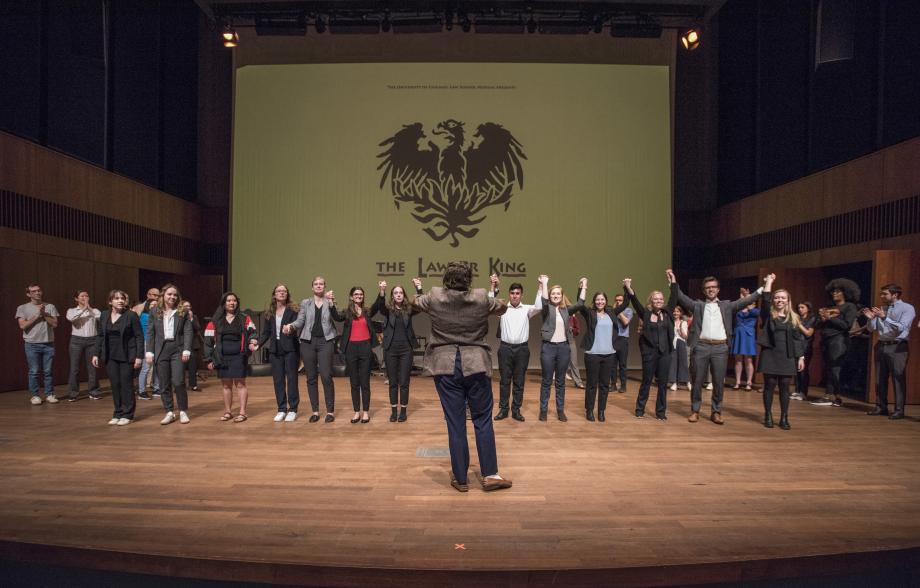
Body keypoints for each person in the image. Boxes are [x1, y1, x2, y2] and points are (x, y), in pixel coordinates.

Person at [411, 263, 511, 492]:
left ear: (446, 278)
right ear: (468, 280)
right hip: (475, 363)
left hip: (445, 366)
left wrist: (419, 294)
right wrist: (493, 293)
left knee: (455, 424)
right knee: (482, 420)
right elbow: (503, 307)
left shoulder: (435, 295)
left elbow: (413, 303)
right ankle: (491, 475)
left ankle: (461, 478)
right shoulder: (480, 297)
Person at [667, 269, 763, 425]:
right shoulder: (698, 305)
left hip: (720, 348)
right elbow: (681, 296)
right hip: (701, 346)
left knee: (718, 382)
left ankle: (716, 411)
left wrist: (762, 288)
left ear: (718, 289)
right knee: (697, 380)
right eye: (707, 287)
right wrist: (673, 281)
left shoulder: (726, 305)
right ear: (704, 290)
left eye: (713, 287)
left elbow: (745, 301)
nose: (710, 289)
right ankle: (695, 410)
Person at [570, 284, 630, 422]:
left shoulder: (612, 312)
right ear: (594, 301)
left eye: (602, 299)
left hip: (609, 354)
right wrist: (582, 287)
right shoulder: (590, 313)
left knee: (604, 385)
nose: (600, 302)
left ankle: (601, 411)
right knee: (592, 384)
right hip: (592, 354)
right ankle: (589, 410)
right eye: (597, 300)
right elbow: (580, 304)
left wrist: (626, 287)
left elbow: (626, 302)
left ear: (606, 301)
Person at [284, 276, 340, 423]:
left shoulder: (330, 301)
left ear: (325, 286)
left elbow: (337, 317)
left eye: (321, 284)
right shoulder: (306, 303)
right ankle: (315, 411)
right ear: (312, 287)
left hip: (326, 341)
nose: (319, 286)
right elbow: (300, 320)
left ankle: (330, 411)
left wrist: (332, 302)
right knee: (311, 377)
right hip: (307, 342)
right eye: (316, 284)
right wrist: (291, 326)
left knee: (326, 376)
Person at [489, 276, 541, 422]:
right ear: (509, 294)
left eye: (517, 293)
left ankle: (516, 410)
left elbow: (539, 306)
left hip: (522, 350)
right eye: (512, 293)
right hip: (505, 349)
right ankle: (503, 410)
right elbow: (490, 303)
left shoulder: (527, 309)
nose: (515, 295)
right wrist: (493, 286)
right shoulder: (503, 309)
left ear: (521, 295)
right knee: (505, 381)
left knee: (519, 381)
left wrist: (541, 287)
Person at [756, 275, 805, 430]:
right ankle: (768, 415)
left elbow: (798, 339)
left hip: (787, 355)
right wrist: (769, 283)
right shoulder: (768, 315)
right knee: (769, 385)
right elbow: (765, 301)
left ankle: (784, 417)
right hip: (770, 354)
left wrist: (800, 357)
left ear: (788, 300)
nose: (779, 300)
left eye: (783, 298)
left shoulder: (794, 318)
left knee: (785, 386)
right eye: (777, 298)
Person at [624, 278, 677, 420]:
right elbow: (635, 302)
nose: (658, 301)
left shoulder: (668, 313)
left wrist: (672, 282)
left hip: (665, 353)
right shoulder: (646, 314)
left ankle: (660, 412)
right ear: (651, 301)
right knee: (646, 381)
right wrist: (629, 287)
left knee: (662, 384)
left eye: (660, 299)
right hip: (650, 353)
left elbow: (674, 297)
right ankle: (640, 409)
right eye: (655, 299)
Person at [537, 275, 588, 422]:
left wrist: (583, 285)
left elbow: (580, 303)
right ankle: (543, 410)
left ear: (562, 295)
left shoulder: (566, 310)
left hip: (564, 348)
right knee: (547, 381)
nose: (555, 296)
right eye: (553, 293)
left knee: (560, 381)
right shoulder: (547, 309)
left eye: (558, 294)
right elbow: (544, 300)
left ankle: (560, 410)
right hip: (548, 348)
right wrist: (545, 283)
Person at [864, 283, 915, 420]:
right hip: (881, 345)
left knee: (898, 378)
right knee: (880, 378)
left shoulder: (907, 308)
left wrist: (885, 317)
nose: (881, 296)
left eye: (884, 294)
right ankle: (881, 407)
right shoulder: (882, 308)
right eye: (881, 294)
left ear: (895, 294)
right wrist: (871, 319)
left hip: (897, 347)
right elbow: (871, 329)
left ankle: (899, 410)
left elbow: (902, 327)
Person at [204, 292, 257, 423]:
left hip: (239, 355)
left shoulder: (245, 318)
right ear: (224, 303)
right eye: (228, 301)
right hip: (221, 356)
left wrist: (252, 341)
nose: (231, 303)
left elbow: (253, 333)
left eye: (234, 301)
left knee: (240, 384)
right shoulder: (215, 321)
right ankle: (228, 412)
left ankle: (243, 412)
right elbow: (208, 341)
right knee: (226, 385)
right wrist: (209, 359)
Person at [92, 290, 144, 425]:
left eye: (122, 298)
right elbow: (100, 336)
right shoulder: (104, 315)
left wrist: (139, 356)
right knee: (115, 385)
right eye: (116, 298)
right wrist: (96, 353)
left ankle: (128, 414)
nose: (120, 300)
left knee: (126, 384)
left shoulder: (131, 315)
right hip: (110, 355)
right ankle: (118, 412)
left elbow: (139, 336)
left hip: (127, 355)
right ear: (110, 301)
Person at [372, 280, 420, 422]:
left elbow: (421, 305)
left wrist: (419, 288)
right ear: (392, 296)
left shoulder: (409, 310)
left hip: (406, 350)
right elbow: (380, 307)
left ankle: (403, 411)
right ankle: (394, 411)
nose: (398, 295)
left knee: (404, 382)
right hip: (391, 350)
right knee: (393, 382)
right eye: (395, 293)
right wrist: (382, 291)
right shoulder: (388, 310)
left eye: (400, 293)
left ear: (403, 295)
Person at [145, 284, 193, 425]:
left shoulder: (182, 311)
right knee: (164, 384)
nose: (172, 297)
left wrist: (186, 349)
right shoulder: (154, 311)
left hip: (177, 348)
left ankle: (183, 411)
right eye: (169, 294)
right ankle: (169, 411)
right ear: (163, 295)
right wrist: (149, 351)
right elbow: (150, 332)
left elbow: (188, 331)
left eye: (175, 295)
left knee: (178, 381)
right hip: (161, 349)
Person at [255, 284, 301, 422]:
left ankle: (293, 409)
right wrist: (258, 343)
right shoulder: (270, 312)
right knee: (278, 380)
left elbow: (298, 327)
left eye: (284, 291)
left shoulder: (294, 310)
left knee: (292, 379)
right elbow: (266, 333)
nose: (282, 293)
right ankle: (281, 409)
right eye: (279, 291)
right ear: (274, 295)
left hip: (291, 348)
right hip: (275, 349)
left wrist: (291, 329)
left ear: (287, 294)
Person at [811, 279, 860, 407]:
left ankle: (831, 396)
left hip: (839, 341)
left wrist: (830, 318)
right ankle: (834, 396)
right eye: (833, 291)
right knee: (829, 369)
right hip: (826, 341)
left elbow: (847, 325)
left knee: (835, 369)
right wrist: (821, 318)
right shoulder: (830, 307)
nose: (834, 294)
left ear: (845, 293)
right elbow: (818, 325)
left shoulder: (850, 307)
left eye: (838, 291)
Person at [337, 286, 381, 424]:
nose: (359, 296)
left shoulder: (367, 311)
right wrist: (331, 303)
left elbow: (377, 305)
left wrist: (381, 292)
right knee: (354, 382)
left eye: (361, 294)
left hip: (365, 347)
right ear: (351, 297)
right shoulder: (347, 312)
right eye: (356, 294)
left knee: (365, 382)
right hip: (351, 348)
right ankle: (357, 412)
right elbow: (336, 317)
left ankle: (366, 412)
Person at [16, 284, 60, 405]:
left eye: (39, 290)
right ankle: (35, 396)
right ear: (28, 294)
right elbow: (22, 325)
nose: (37, 293)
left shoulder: (50, 306)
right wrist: (37, 316)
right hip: (31, 344)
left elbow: (55, 324)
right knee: (34, 371)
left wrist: (44, 314)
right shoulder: (22, 308)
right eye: (34, 291)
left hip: (48, 344)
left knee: (48, 371)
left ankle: (49, 394)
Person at [65, 290, 101, 401]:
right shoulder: (71, 310)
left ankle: (94, 391)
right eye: (82, 296)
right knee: (74, 368)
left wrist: (88, 308)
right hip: (76, 341)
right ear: (76, 299)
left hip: (92, 340)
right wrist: (84, 309)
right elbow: (71, 318)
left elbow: (99, 317)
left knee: (92, 367)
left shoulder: (94, 310)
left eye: (86, 295)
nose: (85, 297)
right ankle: (73, 393)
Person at [134, 287, 161, 400]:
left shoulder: (158, 315)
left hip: (156, 343)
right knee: (146, 367)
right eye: (151, 305)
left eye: (156, 304)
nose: (153, 306)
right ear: (147, 306)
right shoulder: (145, 316)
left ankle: (156, 388)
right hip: (146, 342)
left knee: (156, 367)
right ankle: (141, 391)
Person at [731, 288, 759, 391]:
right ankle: (738, 381)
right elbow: (734, 309)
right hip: (738, 334)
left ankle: (749, 382)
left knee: (748, 359)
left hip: (748, 336)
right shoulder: (739, 309)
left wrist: (748, 303)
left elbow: (755, 313)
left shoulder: (755, 310)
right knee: (738, 360)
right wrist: (742, 299)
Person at [791, 302, 817, 401]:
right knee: (797, 370)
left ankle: (803, 392)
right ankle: (797, 390)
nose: (800, 309)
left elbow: (808, 333)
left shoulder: (812, 318)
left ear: (808, 308)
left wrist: (799, 324)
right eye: (798, 307)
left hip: (806, 347)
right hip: (797, 346)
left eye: (802, 307)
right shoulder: (798, 318)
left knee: (803, 370)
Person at [611, 293, 634, 392]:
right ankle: (613, 385)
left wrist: (619, 312)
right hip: (612, 339)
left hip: (622, 339)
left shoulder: (628, 310)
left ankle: (623, 385)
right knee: (612, 364)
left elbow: (625, 322)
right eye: (616, 300)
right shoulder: (612, 311)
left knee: (622, 364)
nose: (618, 302)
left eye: (620, 300)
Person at [182, 300, 203, 391]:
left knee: (193, 366)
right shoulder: (179, 316)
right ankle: (180, 386)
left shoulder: (194, 317)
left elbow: (198, 328)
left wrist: (191, 319)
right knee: (181, 367)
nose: (188, 308)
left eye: (189, 306)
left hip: (193, 344)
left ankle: (193, 385)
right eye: (186, 306)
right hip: (182, 344)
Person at [668, 306, 691, 391]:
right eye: (674, 311)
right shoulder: (670, 322)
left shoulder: (683, 322)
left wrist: (680, 331)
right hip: (673, 344)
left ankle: (688, 382)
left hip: (681, 343)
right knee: (673, 363)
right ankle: (674, 383)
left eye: (677, 311)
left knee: (683, 363)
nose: (675, 313)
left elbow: (685, 337)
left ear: (680, 313)